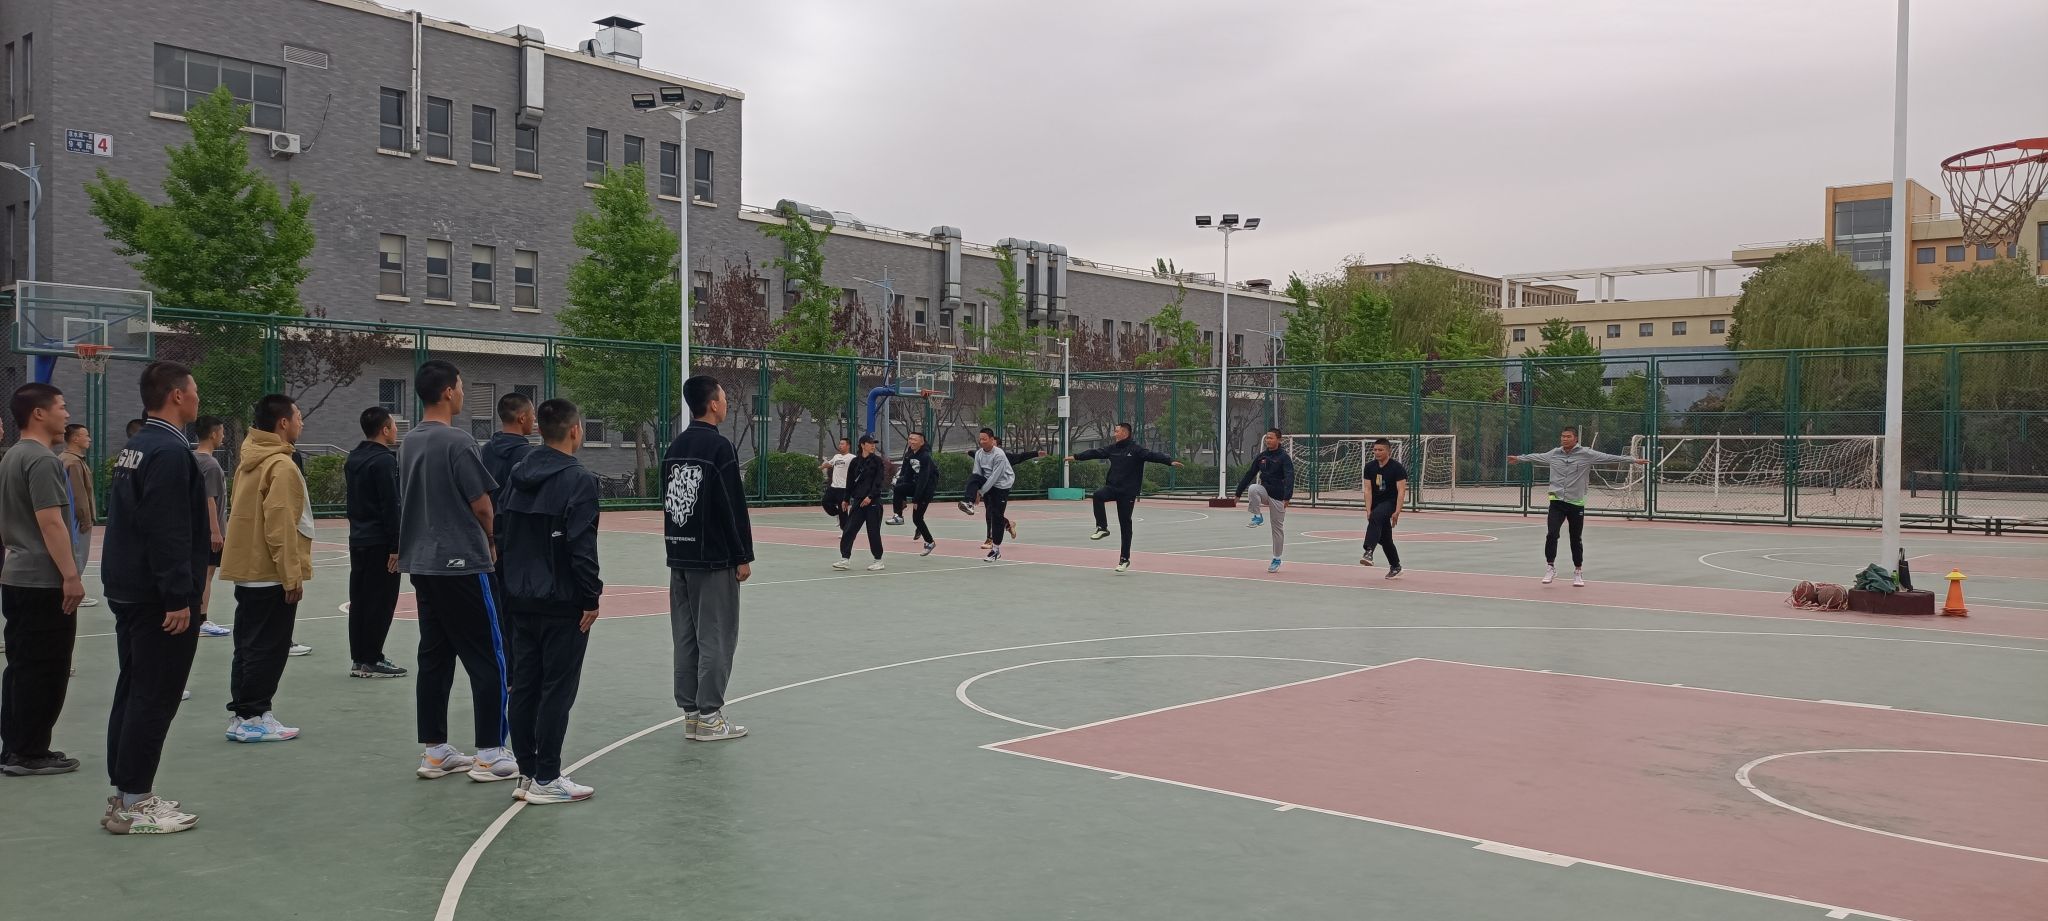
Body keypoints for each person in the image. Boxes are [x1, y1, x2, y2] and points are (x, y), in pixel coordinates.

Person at [100, 361, 209, 834]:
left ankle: (125, 793)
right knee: (154, 694)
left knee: (134, 688)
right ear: (177, 395)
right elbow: (167, 529)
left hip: (129, 587)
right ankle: (136, 802)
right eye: (194, 390)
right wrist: (177, 597)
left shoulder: (139, 445)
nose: (198, 398)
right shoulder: (168, 451)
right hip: (155, 596)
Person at [399, 360, 517, 783]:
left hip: (424, 563)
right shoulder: (458, 441)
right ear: (448, 391)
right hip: (462, 563)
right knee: (489, 656)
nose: (464, 394)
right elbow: (482, 504)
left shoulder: (409, 441)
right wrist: (493, 538)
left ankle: (435, 751)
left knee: (434, 655)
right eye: (462, 387)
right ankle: (491, 753)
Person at [500, 398, 603, 804]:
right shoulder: (579, 480)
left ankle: (527, 772)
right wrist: (590, 596)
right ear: (575, 430)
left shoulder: (518, 475)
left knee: (524, 686)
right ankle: (547, 776)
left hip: (519, 597)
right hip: (562, 601)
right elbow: (581, 545)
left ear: (539, 429)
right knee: (557, 689)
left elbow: (502, 535)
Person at [0, 383, 86, 777]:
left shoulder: (11, 456)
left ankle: (15, 746)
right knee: (46, 669)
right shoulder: (42, 460)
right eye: (61, 407)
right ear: (39, 413)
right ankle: (31, 752)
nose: (66, 415)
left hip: (17, 576)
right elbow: (51, 523)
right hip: (42, 580)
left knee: (20, 667)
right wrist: (70, 575)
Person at [663, 375, 754, 742]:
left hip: (679, 555)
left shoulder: (676, 446)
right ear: (713, 404)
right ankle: (711, 716)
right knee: (716, 635)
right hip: (713, 559)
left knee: (686, 637)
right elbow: (732, 506)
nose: (726, 402)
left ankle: (691, 714)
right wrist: (742, 555)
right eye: (724, 397)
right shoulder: (719, 447)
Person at [219, 394, 312, 743]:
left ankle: (244, 713)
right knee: (268, 648)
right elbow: (280, 525)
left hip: (249, 569)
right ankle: (254, 716)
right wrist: (291, 575)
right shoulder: (281, 466)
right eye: (298, 416)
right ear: (283, 423)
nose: (301, 422)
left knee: (247, 646)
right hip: (270, 572)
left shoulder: (250, 459)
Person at [1508, 426, 1648, 587]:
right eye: (1562, 436)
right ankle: (1550, 567)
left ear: (1576, 439)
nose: (1564, 439)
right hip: (1557, 502)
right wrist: (1518, 458)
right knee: (1552, 534)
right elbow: (1536, 456)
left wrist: (1633, 460)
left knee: (1575, 538)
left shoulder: (1587, 454)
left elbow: (1609, 457)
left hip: (1576, 503)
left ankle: (1578, 571)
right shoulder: (1554, 454)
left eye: (1568, 436)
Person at [1066, 423, 1183, 573]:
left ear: (1125, 433)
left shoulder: (1136, 449)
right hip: (1112, 487)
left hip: (1128, 492)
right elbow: (1095, 452)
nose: (1114, 434)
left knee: (1125, 524)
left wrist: (1169, 461)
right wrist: (1076, 457)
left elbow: (1152, 455)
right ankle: (1102, 527)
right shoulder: (1113, 448)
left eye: (1117, 431)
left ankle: (1124, 559)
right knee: (1098, 495)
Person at [345, 408, 406, 679]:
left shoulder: (354, 457)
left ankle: (359, 658)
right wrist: (396, 546)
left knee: (360, 600)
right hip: (380, 541)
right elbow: (390, 505)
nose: (396, 430)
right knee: (381, 601)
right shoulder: (384, 461)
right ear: (384, 429)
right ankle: (372, 658)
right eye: (393, 425)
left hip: (358, 538)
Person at [190, 417, 233, 639]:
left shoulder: (189, 458)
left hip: (192, 528)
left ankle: (194, 616)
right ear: (214, 434)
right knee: (206, 574)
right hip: (208, 531)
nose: (223, 436)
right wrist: (216, 532)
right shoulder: (211, 465)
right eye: (222, 432)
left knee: (197, 573)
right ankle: (201, 620)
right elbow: (210, 500)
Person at [956, 437, 1043, 546]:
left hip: (999, 489)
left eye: (992, 443)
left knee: (993, 513)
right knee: (991, 513)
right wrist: (969, 452)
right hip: (987, 487)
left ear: (998, 445)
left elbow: (1021, 456)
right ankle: (1007, 525)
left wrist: (1036, 453)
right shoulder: (984, 455)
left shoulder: (1004, 456)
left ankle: (991, 539)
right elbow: (975, 455)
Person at [1234, 428, 1296, 573]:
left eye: (1271, 438)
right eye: (1267, 438)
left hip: (1279, 497)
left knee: (1277, 529)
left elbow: (1290, 477)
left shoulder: (1284, 457)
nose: (1268, 440)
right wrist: (1238, 492)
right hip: (1265, 493)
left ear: (1279, 440)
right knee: (1253, 488)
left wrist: (1287, 497)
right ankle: (1257, 516)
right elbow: (1250, 473)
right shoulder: (1262, 457)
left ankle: (1276, 558)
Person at [58, 424, 99, 608]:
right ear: (75, 438)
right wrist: (85, 519)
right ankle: (74, 594)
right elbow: (78, 494)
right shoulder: (73, 462)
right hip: (77, 520)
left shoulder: (65, 458)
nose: (89, 439)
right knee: (78, 555)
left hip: (70, 517)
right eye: (86, 435)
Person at [834, 434, 887, 572]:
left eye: (874, 443)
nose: (873, 446)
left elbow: (879, 481)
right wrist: (846, 499)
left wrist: (870, 496)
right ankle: (845, 559)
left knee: (873, 532)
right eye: (870, 443)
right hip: (858, 502)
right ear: (862, 445)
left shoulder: (877, 461)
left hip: (873, 502)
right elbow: (850, 481)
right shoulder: (855, 462)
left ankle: (878, 560)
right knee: (849, 530)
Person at [1359, 438, 1407, 579]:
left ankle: (1368, 551)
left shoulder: (1397, 468)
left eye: (1381, 450)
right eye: (1375, 450)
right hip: (1376, 504)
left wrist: (1397, 511)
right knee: (1385, 539)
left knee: (1377, 516)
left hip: (1390, 503)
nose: (1377, 452)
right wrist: (1368, 510)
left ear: (1388, 451)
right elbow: (1368, 490)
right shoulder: (1369, 467)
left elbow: (1401, 491)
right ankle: (1396, 566)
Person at [968, 429, 1017, 562]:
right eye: (980, 439)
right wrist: (976, 492)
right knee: (974, 478)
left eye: (984, 439)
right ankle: (969, 503)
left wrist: (981, 492)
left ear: (992, 440)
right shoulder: (979, 453)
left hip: (1001, 486)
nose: (982, 441)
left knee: (996, 516)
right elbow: (977, 473)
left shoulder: (999, 455)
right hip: (988, 484)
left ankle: (995, 550)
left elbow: (995, 477)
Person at [893, 432, 939, 556]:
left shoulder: (925, 457)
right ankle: (898, 516)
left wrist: (916, 499)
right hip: (916, 485)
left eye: (915, 439)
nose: (911, 441)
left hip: (926, 489)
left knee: (917, 518)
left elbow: (924, 479)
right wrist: (901, 482)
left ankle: (930, 542)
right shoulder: (910, 454)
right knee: (898, 488)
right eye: (910, 439)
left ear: (922, 442)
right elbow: (906, 473)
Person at [819, 437, 854, 528]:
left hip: (844, 489)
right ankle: (837, 513)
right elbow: (829, 464)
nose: (840, 446)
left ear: (848, 446)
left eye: (842, 444)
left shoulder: (852, 458)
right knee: (825, 502)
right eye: (840, 444)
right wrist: (822, 467)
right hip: (833, 487)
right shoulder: (836, 456)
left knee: (843, 511)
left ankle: (845, 531)